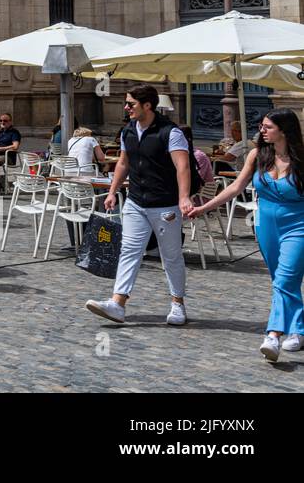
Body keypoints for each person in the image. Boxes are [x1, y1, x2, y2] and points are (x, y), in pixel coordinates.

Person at [192, 109, 304, 361]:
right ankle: (298, 329)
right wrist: (204, 208)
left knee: (285, 279)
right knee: (282, 279)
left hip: (298, 226)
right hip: (266, 226)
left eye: (268, 127)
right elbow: (235, 187)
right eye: (262, 126)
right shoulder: (257, 155)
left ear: (284, 130)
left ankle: (273, 335)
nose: (261, 131)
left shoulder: (301, 158)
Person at [85, 85, 193, 327]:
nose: (126, 108)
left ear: (147, 105)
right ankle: (118, 303)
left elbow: (182, 167)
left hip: (164, 205)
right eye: (126, 103)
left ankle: (178, 303)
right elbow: (123, 163)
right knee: (129, 251)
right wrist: (112, 192)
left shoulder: (170, 133)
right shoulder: (128, 131)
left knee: (171, 256)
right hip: (135, 201)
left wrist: (184, 197)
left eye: (131, 104)